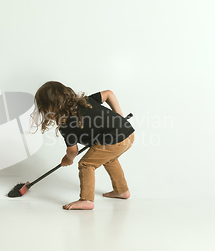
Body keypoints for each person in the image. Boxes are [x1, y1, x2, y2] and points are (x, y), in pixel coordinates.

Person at [31, 81, 136, 210]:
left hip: (113, 139)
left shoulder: (66, 124)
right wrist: (119, 115)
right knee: (109, 159)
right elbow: (109, 94)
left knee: (86, 164)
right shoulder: (85, 101)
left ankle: (86, 199)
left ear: (48, 109)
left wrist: (67, 159)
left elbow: (72, 151)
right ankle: (122, 191)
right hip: (128, 133)